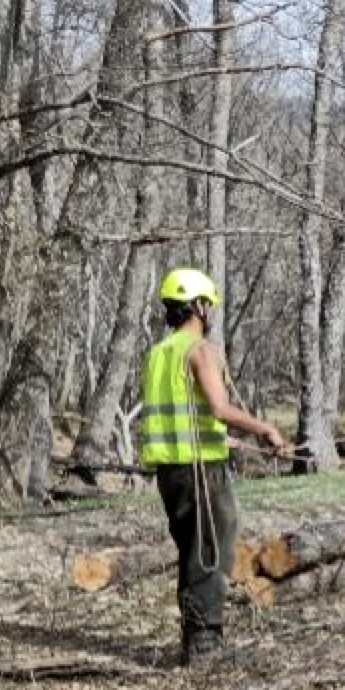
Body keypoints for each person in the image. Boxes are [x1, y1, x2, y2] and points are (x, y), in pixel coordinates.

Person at [140, 268, 285, 663]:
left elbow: (185, 416)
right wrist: (265, 429)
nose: (211, 313)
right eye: (209, 305)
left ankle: (194, 641)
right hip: (201, 472)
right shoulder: (200, 350)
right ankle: (205, 646)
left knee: (192, 551)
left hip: (171, 473)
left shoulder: (157, 355)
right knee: (210, 554)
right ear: (199, 307)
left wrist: (227, 440)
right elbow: (219, 408)